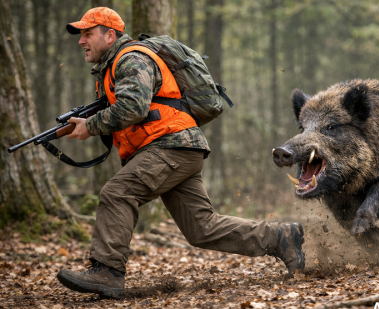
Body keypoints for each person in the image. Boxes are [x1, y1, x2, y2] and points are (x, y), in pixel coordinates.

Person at [56, 7, 305, 298]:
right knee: (202, 229)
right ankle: (284, 237)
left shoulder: (130, 58)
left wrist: (92, 126)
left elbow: (133, 109)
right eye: (80, 35)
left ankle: (107, 271)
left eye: (88, 34)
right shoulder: (112, 68)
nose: (81, 41)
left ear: (110, 36)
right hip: (178, 147)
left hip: (171, 145)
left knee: (117, 192)